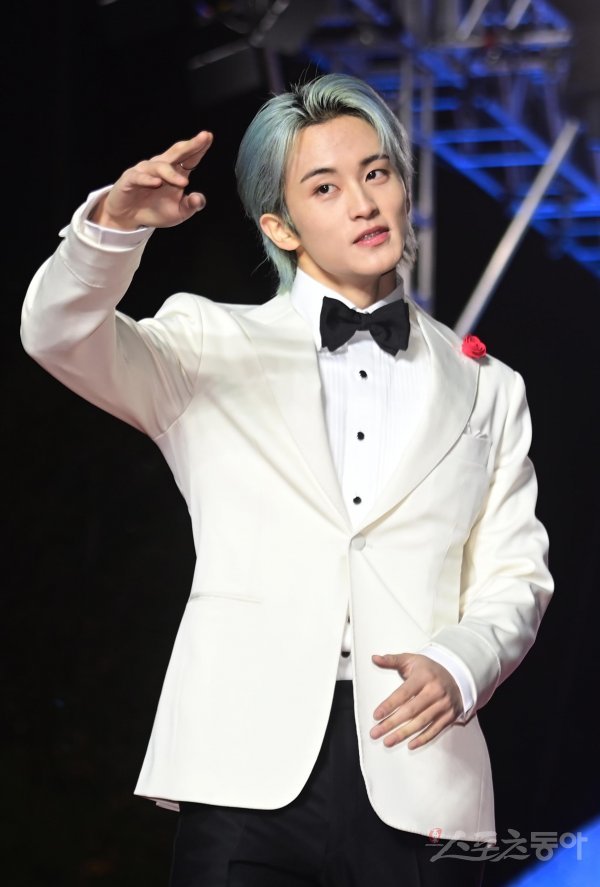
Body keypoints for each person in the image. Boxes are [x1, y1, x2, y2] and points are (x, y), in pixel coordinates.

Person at [21, 74, 553, 886]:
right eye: (325, 187)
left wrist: (460, 662)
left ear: (404, 187)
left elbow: (517, 575)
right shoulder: (209, 343)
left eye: (377, 172)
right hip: (241, 767)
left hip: (421, 768)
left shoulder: (489, 387)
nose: (364, 203)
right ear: (280, 225)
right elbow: (56, 334)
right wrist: (114, 228)